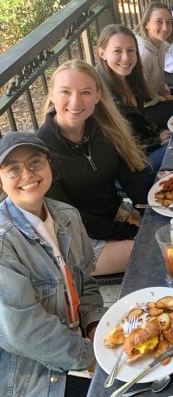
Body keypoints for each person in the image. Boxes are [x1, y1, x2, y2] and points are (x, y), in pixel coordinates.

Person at [0, 131, 106, 396]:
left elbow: (88, 286)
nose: (27, 174)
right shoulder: (4, 243)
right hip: (37, 373)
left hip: (80, 341)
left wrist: (95, 327)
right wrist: (91, 356)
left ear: (49, 164)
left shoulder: (68, 216)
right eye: (13, 169)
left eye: (35, 161)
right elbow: (26, 332)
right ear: (1, 181)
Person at [37, 59, 150, 276]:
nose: (75, 101)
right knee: (151, 252)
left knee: (171, 232)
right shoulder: (42, 152)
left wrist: (148, 210)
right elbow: (69, 219)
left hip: (113, 217)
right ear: (52, 95)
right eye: (65, 92)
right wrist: (130, 231)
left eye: (86, 92)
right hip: (77, 239)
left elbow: (130, 174)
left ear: (98, 96)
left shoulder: (105, 128)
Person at [96, 24, 169, 177]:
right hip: (128, 169)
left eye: (130, 50)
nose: (126, 58)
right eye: (117, 51)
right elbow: (118, 147)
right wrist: (156, 142)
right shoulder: (101, 93)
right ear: (102, 53)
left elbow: (139, 123)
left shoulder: (130, 77)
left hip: (143, 148)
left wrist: (157, 136)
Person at [135, 1, 173, 124]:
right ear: (146, 24)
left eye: (168, 22)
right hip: (144, 110)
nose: (165, 27)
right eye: (159, 21)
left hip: (156, 97)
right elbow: (141, 95)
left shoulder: (159, 44)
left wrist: (165, 94)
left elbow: (159, 81)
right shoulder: (142, 54)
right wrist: (163, 98)